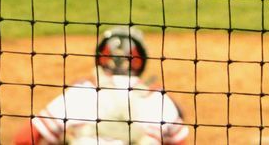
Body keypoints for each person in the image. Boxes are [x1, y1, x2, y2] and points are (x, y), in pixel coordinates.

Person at [13, 26, 189, 145]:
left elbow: (24, 139)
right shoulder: (159, 99)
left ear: (102, 57)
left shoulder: (80, 93)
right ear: (140, 60)